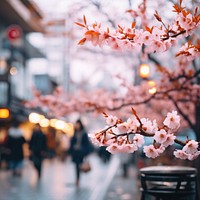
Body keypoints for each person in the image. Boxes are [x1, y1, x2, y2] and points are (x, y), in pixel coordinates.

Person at [69, 119, 93, 186]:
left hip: (81, 152)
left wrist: (84, 151)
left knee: (79, 165)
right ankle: (77, 179)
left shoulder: (84, 133)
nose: (77, 126)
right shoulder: (75, 133)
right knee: (76, 166)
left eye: (78, 124)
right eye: (76, 124)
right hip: (75, 152)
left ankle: (78, 178)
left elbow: (86, 144)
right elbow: (72, 142)